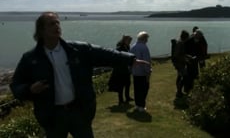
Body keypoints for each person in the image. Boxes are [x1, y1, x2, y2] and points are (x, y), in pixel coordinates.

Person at [9, 12, 148, 138]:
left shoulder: (77, 49)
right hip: (53, 117)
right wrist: (29, 90)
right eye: (52, 23)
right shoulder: (30, 58)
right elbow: (16, 85)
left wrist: (130, 59)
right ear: (41, 30)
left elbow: (105, 53)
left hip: (79, 112)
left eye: (58, 22)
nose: (57, 25)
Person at [108, 35, 134, 105]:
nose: (130, 42)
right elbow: (117, 57)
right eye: (129, 40)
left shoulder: (127, 47)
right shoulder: (119, 48)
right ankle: (121, 100)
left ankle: (127, 97)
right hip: (120, 69)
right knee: (121, 85)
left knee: (128, 83)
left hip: (126, 68)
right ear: (125, 40)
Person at [130, 31, 152, 112]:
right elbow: (146, 60)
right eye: (147, 38)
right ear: (144, 38)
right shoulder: (144, 47)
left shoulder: (133, 46)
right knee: (144, 89)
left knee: (137, 89)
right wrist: (148, 71)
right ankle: (141, 106)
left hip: (135, 72)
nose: (147, 40)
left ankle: (137, 105)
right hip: (142, 72)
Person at [172, 30, 190, 98]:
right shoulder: (180, 43)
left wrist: (187, 56)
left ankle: (179, 91)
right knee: (184, 77)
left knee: (180, 76)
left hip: (179, 63)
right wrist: (184, 59)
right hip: (179, 64)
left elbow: (181, 54)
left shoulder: (180, 42)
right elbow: (177, 55)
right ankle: (179, 91)